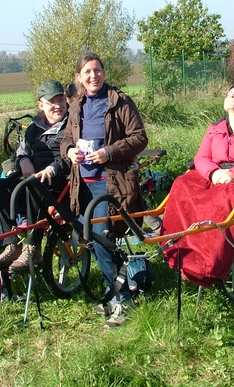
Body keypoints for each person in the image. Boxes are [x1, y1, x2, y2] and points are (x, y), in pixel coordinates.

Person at [160, 84, 234, 287]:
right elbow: (201, 157)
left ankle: (206, 266)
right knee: (182, 183)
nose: (232, 96)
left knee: (221, 199)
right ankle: (175, 250)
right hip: (215, 173)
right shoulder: (215, 129)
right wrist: (213, 172)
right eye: (229, 94)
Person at [61, 52, 148, 328]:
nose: (93, 76)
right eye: (87, 72)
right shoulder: (76, 106)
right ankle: (117, 290)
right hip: (81, 186)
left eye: (97, 70)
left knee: (100, 238)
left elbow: (139, 138)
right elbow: (65, 140)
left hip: (109, 183)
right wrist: (71, 152)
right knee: (91, 240)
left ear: (104, 72)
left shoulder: (119, 101)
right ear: (79, 77)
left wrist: (108, 152)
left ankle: (123, 300)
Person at [0, 79, 70, 273]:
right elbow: (21, 152)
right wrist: (23, 160)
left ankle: (33, 247)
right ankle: (10, 243)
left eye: (61, 100)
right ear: (41, 105)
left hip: (60, 183)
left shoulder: (72, 126)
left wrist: (51, 169)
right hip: (34, 184)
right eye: (52, 102)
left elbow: (72, 155)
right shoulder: (32, 129)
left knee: (33, 184)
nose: (58, 106)